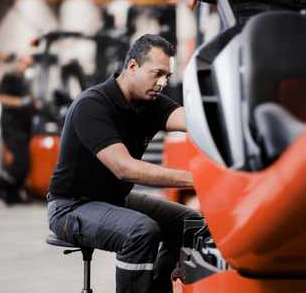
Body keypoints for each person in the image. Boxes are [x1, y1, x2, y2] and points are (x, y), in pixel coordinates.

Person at [46, 34, 201, 293]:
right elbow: (124, 168)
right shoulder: (92, 105)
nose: (163, 83)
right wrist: (198, 178)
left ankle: (158, 288)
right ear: (132, 66)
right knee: (141, 231)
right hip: (71, 207)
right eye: (157, 73)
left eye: (167, 76)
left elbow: (194, 120)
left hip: (115, 200)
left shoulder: (150, 102)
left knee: (191, 223)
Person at [0, 54, 35, 205]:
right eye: (24, 63)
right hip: (11, 126)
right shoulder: (9, 78)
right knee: (20, 159)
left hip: (22, 127)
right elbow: (1, 98)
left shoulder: (23, 82)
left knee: (26, 161)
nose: (26, 67)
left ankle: (12, 195)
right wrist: (22, 101)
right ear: (17, 62)